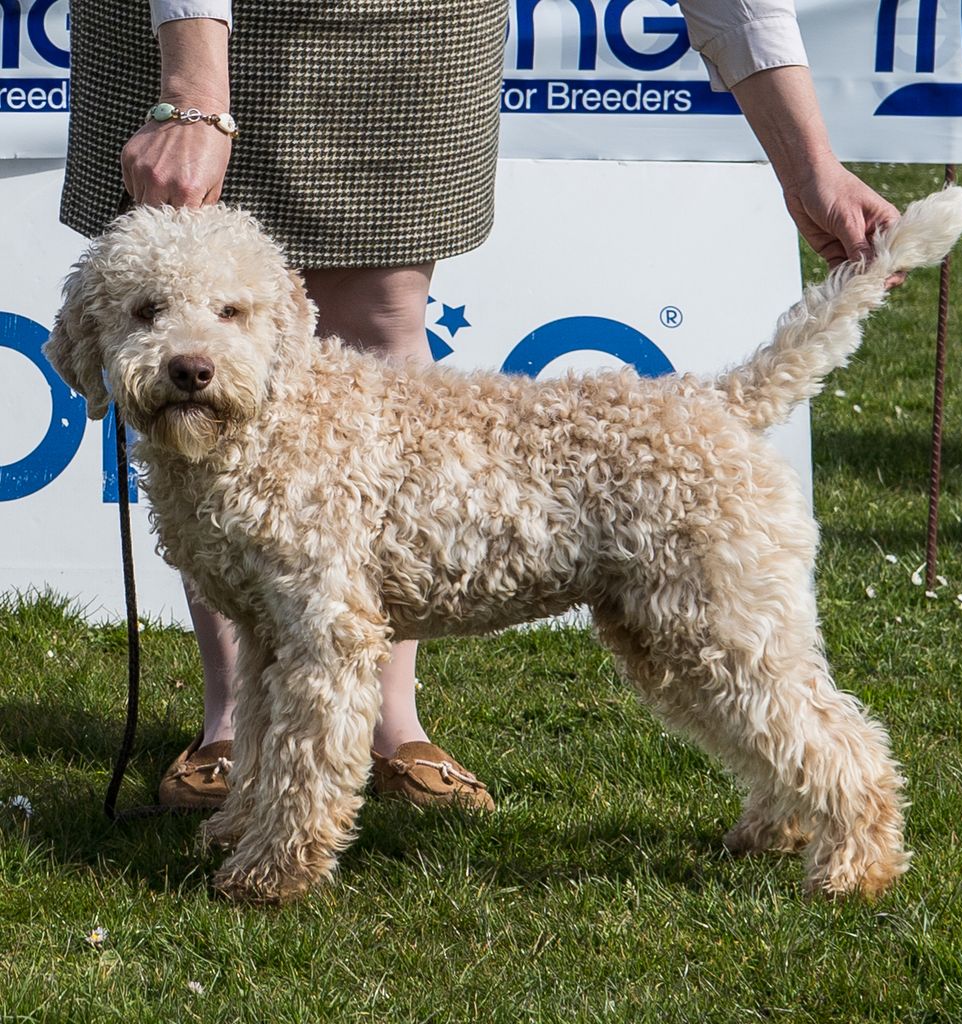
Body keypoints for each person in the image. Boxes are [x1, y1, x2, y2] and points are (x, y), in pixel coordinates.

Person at [60, 0, 899, 813]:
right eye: (146, 316)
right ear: (93, 337)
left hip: (402, 34)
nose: (190, 353)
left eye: (230, 317)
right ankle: (244, 762)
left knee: (716, 655)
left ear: (281, 334)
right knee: (290, 634)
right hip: (176, 34)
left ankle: (849, 798)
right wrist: (195, 92)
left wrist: (810, 168)